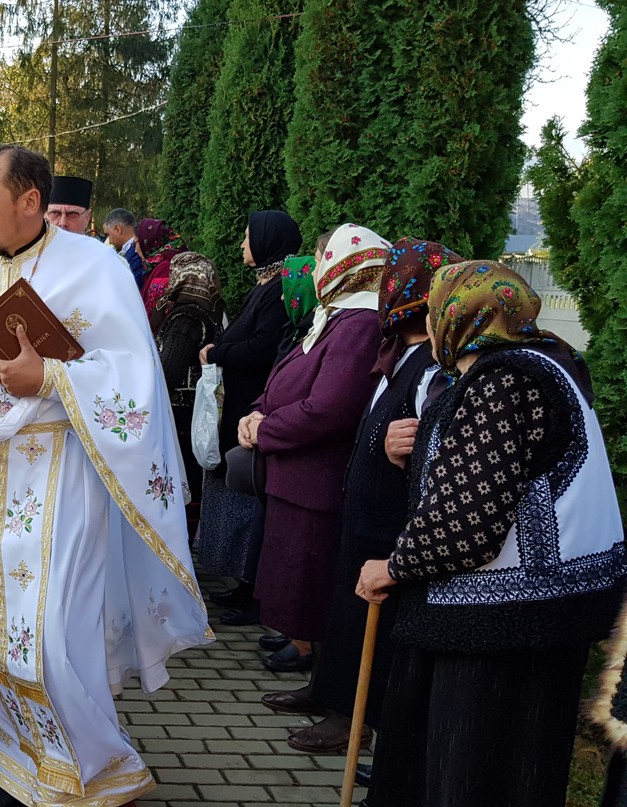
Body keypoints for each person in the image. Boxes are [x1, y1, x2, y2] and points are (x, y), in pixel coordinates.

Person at [0, 144, 211, 807]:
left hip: (64, 476)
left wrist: (49, 375)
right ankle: (21, 769)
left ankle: (94, 768)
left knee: (52, 637)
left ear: (29, 200)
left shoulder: (96, 269)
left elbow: (134, 381)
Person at [358, 260, 626, 807]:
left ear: (455, 317)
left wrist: (395, 566)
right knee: (516, 773)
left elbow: (468, 520)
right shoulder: (544, 366)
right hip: (535, 617)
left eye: (435, 314)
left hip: (498, 625)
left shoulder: (504, 382)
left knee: (477, 776)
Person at [270, 238, 462, 756]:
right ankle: (328, 693)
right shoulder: (399, 353)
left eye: (392, 285)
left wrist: (413, 441)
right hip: (362, 511)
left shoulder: (432, 365)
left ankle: (352, 721)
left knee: (368, 626)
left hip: (391, 521)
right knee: (342, 610)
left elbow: (441, 438)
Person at [239, 223, 388, 676]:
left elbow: (330, 406)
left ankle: (310, 651)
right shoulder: (338, 314)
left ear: (349, 266)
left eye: (326, 257)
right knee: (289, 560)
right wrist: (257, 410)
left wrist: (267, 429)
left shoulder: (359, 323)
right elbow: (291, 369)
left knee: (307, 565)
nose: (317, 267)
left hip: (316, 471)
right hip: (295, 467)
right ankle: (298, 636)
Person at [194, 210, 298, 616]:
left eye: (247, 236)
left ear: (267, 241)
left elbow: (261, 346)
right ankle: (240, 582)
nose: (241, 244)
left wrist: (218, 352)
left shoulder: (277, 291)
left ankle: (249, 587)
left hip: (250, 405)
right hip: (237, 403)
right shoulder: (265, 284)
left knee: (244, 497)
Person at [154, 252, 223, 531]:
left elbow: (168, 370)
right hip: (189, 414)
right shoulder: (205, 313)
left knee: (182, 480)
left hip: (180, 414)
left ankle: (177, 544)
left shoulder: (186, 319)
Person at [134, 217, 186, 327]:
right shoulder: (164, 262)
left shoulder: (165, 267)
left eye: (136, 244)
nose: (135, 250)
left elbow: (153, 316)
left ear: (148, 241)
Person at [276, 254, 319, 359]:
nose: (282, 298)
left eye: (288, 291)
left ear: (302, 290)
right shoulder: (295, 328)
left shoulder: (312, 331)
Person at [102, 207, 143, 283]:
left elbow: (135, 286)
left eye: (108, 235)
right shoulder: (143, 246)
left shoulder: (136, 253)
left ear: (118, 229)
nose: (109, 241)